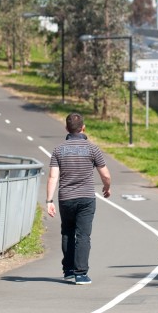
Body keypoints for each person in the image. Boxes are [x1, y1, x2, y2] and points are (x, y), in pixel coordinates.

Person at [46, 112, 111, 285]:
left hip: (66, 198)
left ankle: (68, 271)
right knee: (83, 235)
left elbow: (53, 177)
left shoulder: (59, 149)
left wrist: (49, 201)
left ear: (66, 128)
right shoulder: (92, 148)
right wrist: (107, 187)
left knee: (67, 232)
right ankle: (81, 273)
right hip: (86, 198)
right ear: (83, 128)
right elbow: (105, 175)